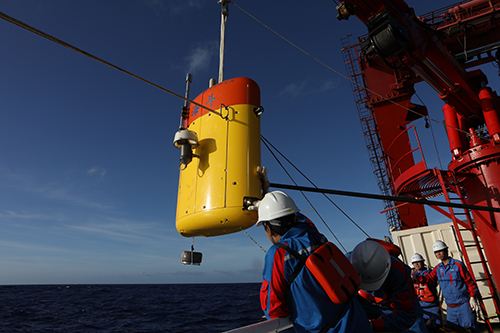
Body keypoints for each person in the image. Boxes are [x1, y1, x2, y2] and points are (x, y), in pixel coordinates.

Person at [257, 191, 372, 333]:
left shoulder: (278, 254)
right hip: (356, 321)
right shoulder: (318, 238)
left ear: (267, 227)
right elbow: (306, 223)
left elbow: (273, 308)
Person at [350, 239, 428, 332]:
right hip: (372, 305)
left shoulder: (399, 275)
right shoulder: (348, 263)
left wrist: (373, 326)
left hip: (397, 307)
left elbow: (407, 315)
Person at [415, 240, 480, 332]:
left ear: (446, 250)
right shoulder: (438, 268)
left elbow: (469, 282)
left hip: (463, 305)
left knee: (470, 328)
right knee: (453, 329)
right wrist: (416, 277)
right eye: (436, 252)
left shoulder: (458, 265)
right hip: (450, 308)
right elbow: (428, 279)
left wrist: (472, 297)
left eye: (440, 251)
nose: (438, 254)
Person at [410, 253, 440, 330]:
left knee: (435, 327)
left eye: (418, 262)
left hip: (432, 306)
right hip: (420, 307)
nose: (416, 264)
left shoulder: (429, 273)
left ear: (423, 262)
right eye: (414, 263)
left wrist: (418, 278)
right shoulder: (412, 275)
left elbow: (427, 280)